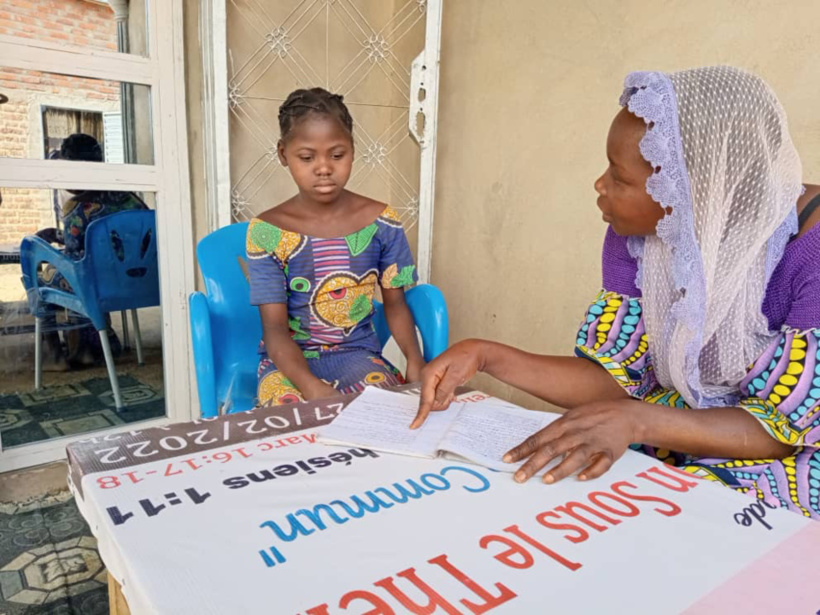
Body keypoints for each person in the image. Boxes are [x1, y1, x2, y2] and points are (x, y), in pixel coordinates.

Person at [412, 66, 820, 519]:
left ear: (695, 189)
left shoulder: (811, 250)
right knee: (556, 498)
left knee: (683, 519)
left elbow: (784, 429)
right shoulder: (640, 237)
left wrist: (635, 419)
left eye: (620, 178)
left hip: (793, 453)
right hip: (673, 427)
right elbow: (616, 379)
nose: (600, 186)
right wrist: (486, 355)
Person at [246, 88, 425, 406]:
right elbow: (274, 329)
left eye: (337, 155)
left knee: (386, 412)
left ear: (353, 151)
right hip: (287, 363)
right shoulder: (267, 232)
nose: (324, 167)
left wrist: (415, 360)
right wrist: (312, 388)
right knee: (289, 420)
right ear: (283, 154)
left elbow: (396, 304)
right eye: (307, 157)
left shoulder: (383, 222)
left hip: (357, 354)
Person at [37, 133, 148, 369]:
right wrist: (58, 234)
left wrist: (47, 249)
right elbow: (117, 238)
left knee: (43, 278)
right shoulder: (130, 199)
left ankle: (58, 355)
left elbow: (75, 257)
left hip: (100, 284)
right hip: (140, 281)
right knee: (90, 269)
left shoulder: (77, 208)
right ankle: (100, 340)